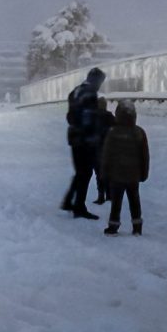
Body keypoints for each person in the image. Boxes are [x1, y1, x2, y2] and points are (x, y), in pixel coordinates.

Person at [60, 67, 105, 219]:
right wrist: (93, 137)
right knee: (85, 173)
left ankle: (68, 201)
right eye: (100, 82)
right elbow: (89, 118)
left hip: (73, 136)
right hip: (84, 139)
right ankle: (79, 207)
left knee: (80, 172)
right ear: (96, 80)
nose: (100, 85)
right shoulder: (90, 93)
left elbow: (70, 115)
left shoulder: (75, 91)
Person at [101, 100, 150, 235]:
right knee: (134, 201)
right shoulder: (139, 132)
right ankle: (137, 226)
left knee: (116, 202)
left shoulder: (112, 132)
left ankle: (113, 226)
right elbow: (144, 156)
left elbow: (107, 154)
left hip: (116, 175)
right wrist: (144, 173)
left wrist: (104, 173)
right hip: (134, 175)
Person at [92, 97, 116, 204]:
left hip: (96, 150)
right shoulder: (111, 117)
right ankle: (109, 195)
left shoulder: (93, 117)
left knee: (99, 174)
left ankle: (101, 196)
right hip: (109, 150)